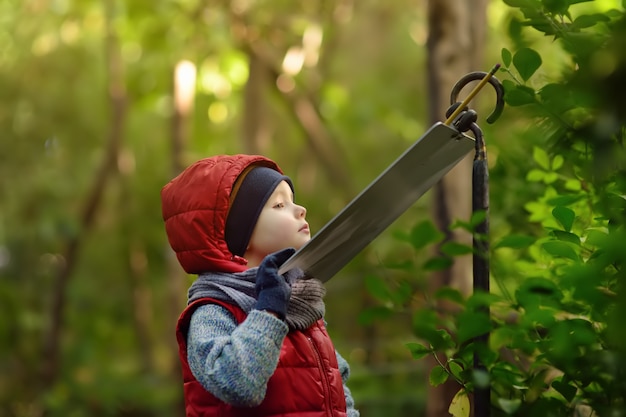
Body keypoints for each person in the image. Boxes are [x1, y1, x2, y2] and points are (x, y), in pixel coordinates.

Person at [161, 154, 359, 417]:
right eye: (279, 205)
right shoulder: (212, 311)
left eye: (293, 200)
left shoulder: (299, 302)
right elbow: (240, 385)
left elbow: (337, 387)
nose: (300, 210)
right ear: (239, 234)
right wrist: (268, 309)